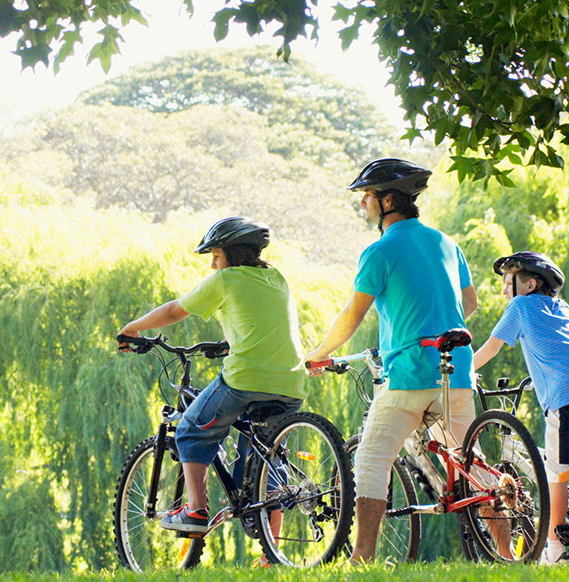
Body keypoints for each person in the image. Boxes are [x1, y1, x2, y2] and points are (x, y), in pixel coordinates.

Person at [303, 158, 478, 563]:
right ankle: (505, 549)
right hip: (459, 370)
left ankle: (361, 558)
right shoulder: (447, 243)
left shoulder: (379, 251)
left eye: (366, 196)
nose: (363, 203)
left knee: (372, 457)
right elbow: (468, 303)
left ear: (386, 200)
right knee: (473, 465)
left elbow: (353, 314)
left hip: (408, 374)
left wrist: (319, 353)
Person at [117, 216, 307, 541]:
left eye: (216, 257)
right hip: (291, 383)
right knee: (266, 461)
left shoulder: (227, 279)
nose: (213, 266)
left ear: (232, 255)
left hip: (246, 378)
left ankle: (195, 510)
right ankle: (271, 551)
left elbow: (177, 310)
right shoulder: (277, 278)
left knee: (190, 431)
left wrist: (132, 328)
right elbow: (260, 322)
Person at [472, 251, 569, 565]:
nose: (503, 290)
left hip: (564, 397)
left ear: (530, 284)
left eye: (508, 282)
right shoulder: (562, 307)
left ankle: (555, 552)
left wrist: (464, 371)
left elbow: (492, 347)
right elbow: (561, 347)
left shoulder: (519, 306)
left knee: (557, 474)